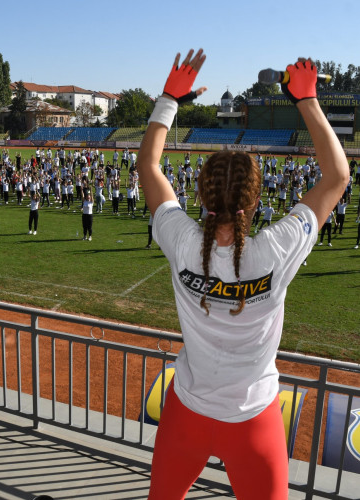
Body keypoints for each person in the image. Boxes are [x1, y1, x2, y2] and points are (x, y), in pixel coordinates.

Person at [138, 49, 349, 500]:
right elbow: (336, 176)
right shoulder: (275, 249)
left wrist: (170, 97)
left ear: (200, 192)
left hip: (186, 412)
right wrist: (306, 98)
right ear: (256, 202)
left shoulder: (181, 240)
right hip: (254, 420)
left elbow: (149, 167)